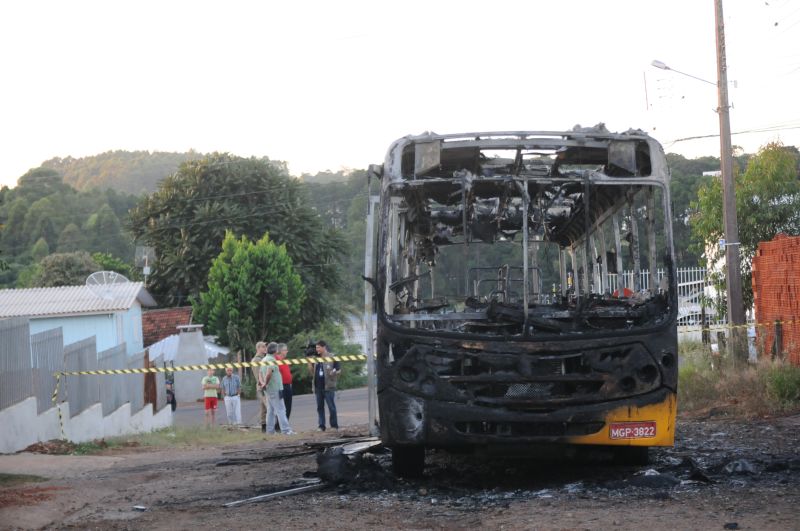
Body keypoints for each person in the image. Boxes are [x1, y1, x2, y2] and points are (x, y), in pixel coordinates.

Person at [263, 342, 295, 435]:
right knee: (281, 410)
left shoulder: (266, 359)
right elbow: (269, 373)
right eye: (285, 350)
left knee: (271, 410)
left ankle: (270, 431)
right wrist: (265, 383)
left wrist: (264, 383)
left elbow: (262, 373)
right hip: (277, 387)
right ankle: (285, 430)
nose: (287, 351)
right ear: (277, 350)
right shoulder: (273, 360)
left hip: (276, 387)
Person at [309, 340, 340, 432]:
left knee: (331, 407)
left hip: (328, 386)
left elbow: (339, 370)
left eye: (318, 347)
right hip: (318, 387)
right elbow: (311, 372)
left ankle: (334, 426)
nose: (316, 349)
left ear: (324, 347)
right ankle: (321, 426)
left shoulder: (332, 357)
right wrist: (309, 361)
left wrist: (333, 372)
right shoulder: (316, 358)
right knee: (320, 407)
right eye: (316, 347)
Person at [273, 343, 294, 432]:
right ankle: (278, 427)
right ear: (281, 351)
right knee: (281, 408)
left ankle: (285, 426)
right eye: (285, 350)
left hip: (288, 386)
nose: (287, 351)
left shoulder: (285, 360)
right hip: (280, 387)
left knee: (288, 407)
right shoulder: (275, 360)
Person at [252, 342, 268, 432]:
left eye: (265, 346)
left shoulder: (263, 359)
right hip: (262, 387)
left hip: (265, 386)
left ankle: (264, 428)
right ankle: (267, 427)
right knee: (268, 407)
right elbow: (258, 375)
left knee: (264, 408)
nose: (265, 348)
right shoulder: (256, 360)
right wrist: (263, 385)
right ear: (258, 348)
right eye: (263, 346)